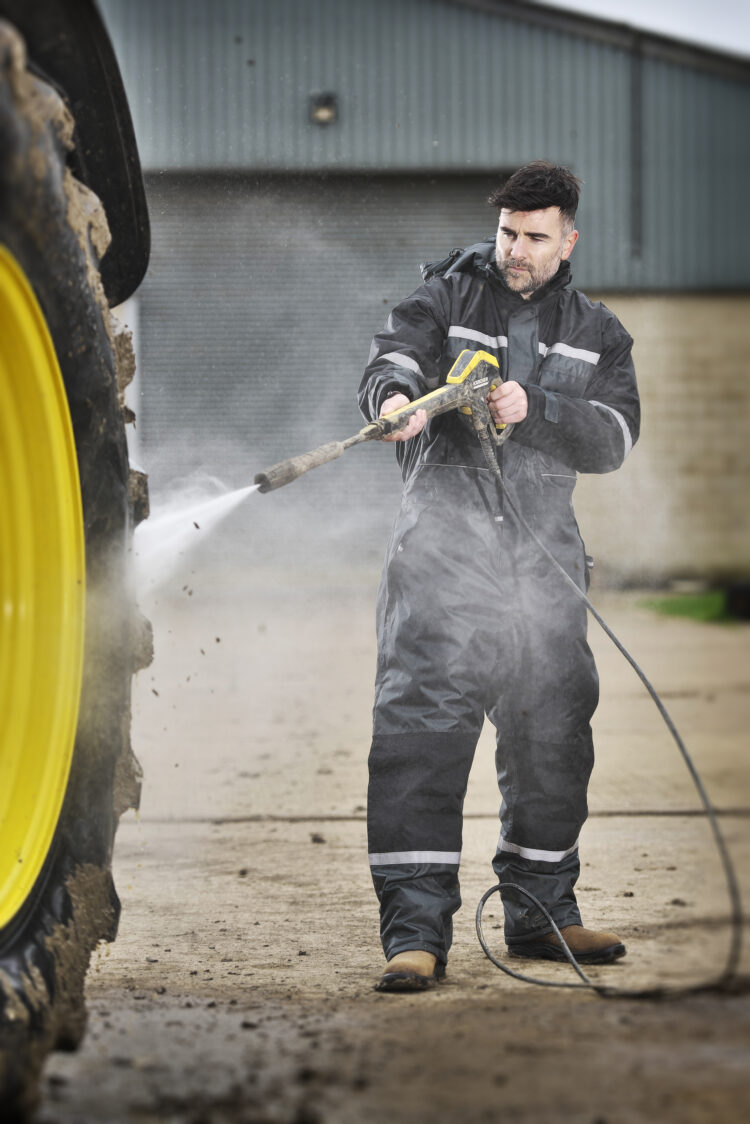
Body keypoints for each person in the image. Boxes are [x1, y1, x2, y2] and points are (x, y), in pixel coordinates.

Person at [358, 161, 640, 992]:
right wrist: (393, 400)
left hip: (544, 565)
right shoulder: (443, 299)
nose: (516, 249)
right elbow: (392, 359)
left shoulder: (600, 332)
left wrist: (539, 409)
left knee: (554, 730)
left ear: (569, 240)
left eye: (534, 236)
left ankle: (543, 912)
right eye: (507, 233)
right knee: (421, 734)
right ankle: (415, 934)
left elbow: (617, 437)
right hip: (441, 563)